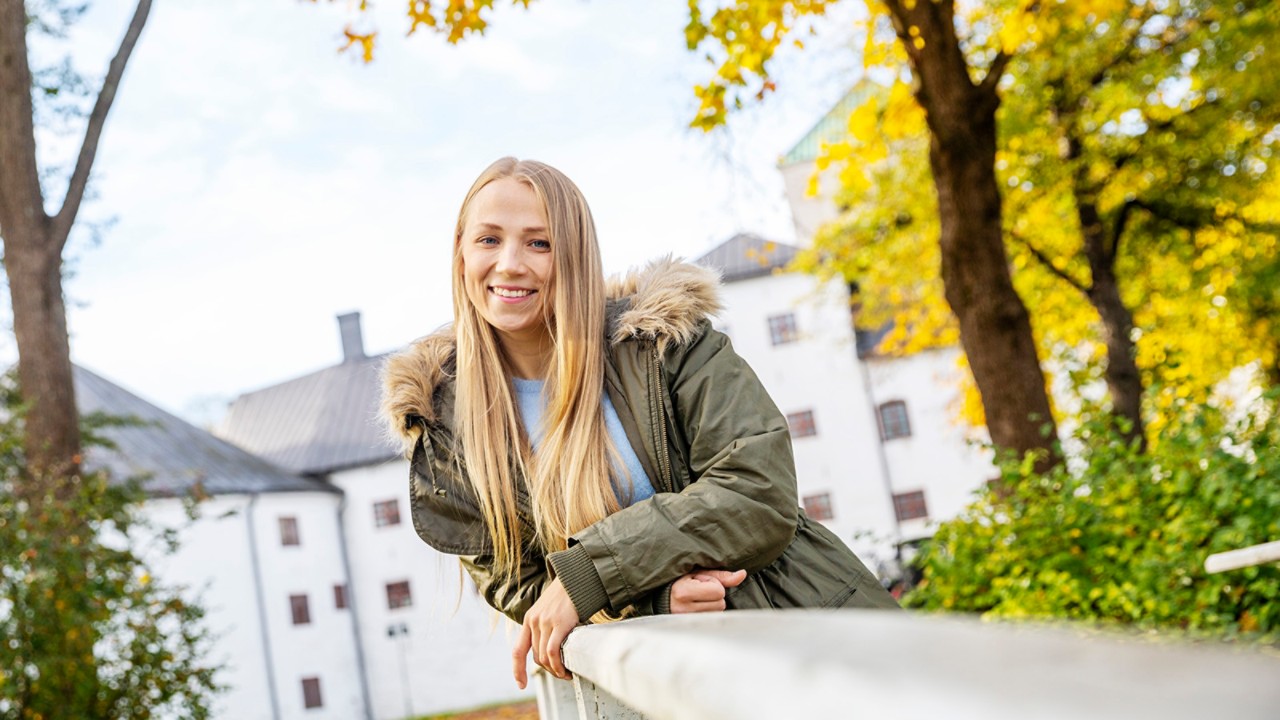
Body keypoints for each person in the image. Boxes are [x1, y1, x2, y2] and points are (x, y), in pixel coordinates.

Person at [380, 157, 899, 689]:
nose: (510, 263)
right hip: (673, 689)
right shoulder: (447, 433)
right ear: (461, 252)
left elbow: (756, 493)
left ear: (575, 256)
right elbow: (524, 587)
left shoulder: (664, 344)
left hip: (811, 636)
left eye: (539, 243)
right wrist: (650, 599)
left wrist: (592, 574)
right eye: (489, 240)